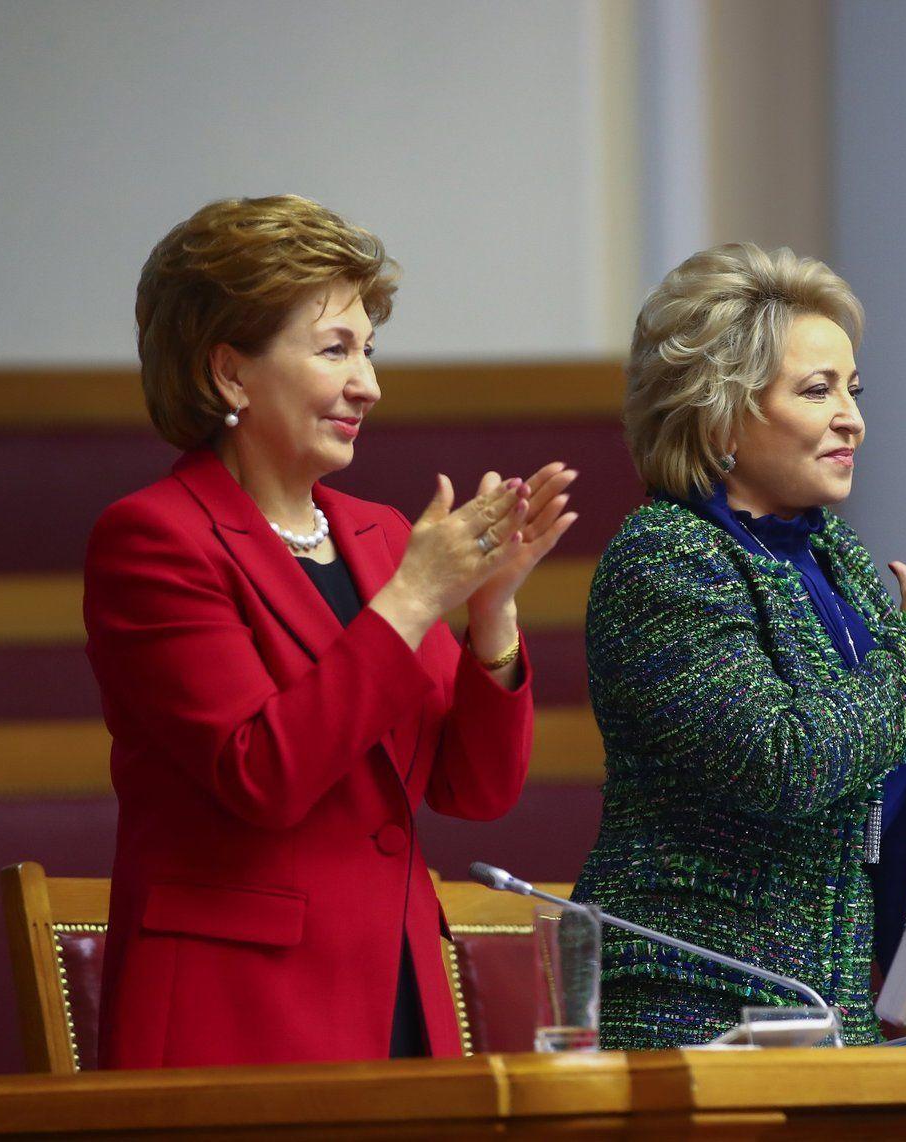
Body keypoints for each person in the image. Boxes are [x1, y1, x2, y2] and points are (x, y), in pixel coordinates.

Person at [85, 195, 577, 1067]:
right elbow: (260, 773)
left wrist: (491, 610)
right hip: (234, 1013)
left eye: (370, 351)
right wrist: (414, 601)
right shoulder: (155, 537)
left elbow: (475, 790)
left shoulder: (384, 535)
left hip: (397, 990)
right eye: (335, 350)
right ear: (231, 374)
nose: (369, 385)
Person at [572, 242, 906, 1048]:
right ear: (719, 410)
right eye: (817, 390)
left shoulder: (833, 558)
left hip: (833, 1001)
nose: (854, 420)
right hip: (700, 1004)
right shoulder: (666, 556)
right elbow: (782, 763)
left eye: (853, 391)